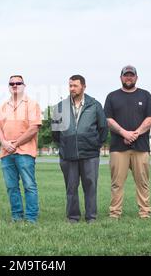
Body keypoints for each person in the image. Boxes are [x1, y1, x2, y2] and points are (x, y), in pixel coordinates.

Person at [52, 75, 108, 224]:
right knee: (71, 187)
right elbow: (55, 133)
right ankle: (73, 217)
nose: (72, 89)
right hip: (68, 155)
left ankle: (91, 217)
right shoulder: (60, 107)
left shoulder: (95, 105)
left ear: (83, 86)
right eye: (70, 86)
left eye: (75, 86)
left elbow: (103, 129)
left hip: (90, 154)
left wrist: (95, 144)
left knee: (90, 186)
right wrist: (66, 144)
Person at [104, 66, 151, 219]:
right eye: (126, 75)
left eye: (131, 75)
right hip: (118, 148)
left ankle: (145, 213)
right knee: (116, 184)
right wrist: (123, 133)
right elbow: (107, 119)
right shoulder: (112, 96)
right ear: (121, 77)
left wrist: (136, 133)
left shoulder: (145, 95)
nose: (129, 78)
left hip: (141, 148)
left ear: (136, 77)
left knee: (143, 183)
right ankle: (115, 213)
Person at [0, 75, 42, 223]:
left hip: (25, 152)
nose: (15, 85)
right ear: (9, 86)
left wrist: (14, 144)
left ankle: (31, 218)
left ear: (24, 85)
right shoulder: (3, 106)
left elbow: (33, 128)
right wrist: (4, 143)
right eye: (11, 83)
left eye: (18, 83)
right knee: (11, 187)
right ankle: (16, 216)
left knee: (29, 185)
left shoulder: (32, 104)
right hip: (6, 153)